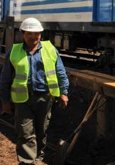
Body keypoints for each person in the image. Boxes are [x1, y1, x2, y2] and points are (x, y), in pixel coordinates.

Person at [0, 17, 69, 165]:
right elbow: (5, 78)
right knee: (25, 133)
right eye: (30, 33)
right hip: (22, 100)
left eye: (37, 33)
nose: (34, 37)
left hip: (45, 98)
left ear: (41, 34)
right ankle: (27, 162)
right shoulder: (14, 52)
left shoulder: (50, 49)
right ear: (23, 34)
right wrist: (5, 101)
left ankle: (38, 158)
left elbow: (60, 72)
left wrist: (64, 92)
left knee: (41, 132)